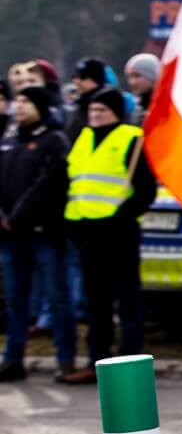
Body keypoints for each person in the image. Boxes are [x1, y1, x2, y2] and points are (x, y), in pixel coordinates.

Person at [59, 87, 156, 383]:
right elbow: (74, 182)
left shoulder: (131, 138)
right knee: (95, 302)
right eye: (92, 110)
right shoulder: (83, 138)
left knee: (127, 298)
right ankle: (97, 360)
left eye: (102, 110)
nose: (96, 115)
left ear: (115, 112)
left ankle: (131, 360)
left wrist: (122, 217)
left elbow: (145, 190)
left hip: (119, 232)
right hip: (86, 232)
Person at [0, 85, 72, 381]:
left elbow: (48, 184)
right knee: (15, 300)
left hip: (44, 232)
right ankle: (13, 359)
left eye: (26, 102)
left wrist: (17, 216)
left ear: (40, 106)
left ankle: (65, 359)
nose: (19, 107)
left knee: (57, 297)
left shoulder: (54, 140)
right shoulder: (9, 139)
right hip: (10, 234)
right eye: (17, 101)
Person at [122, 53, 159, 125]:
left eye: (137, 76)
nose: (132, 82)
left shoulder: (166, 107)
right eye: (129, 77)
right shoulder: (136, 108)